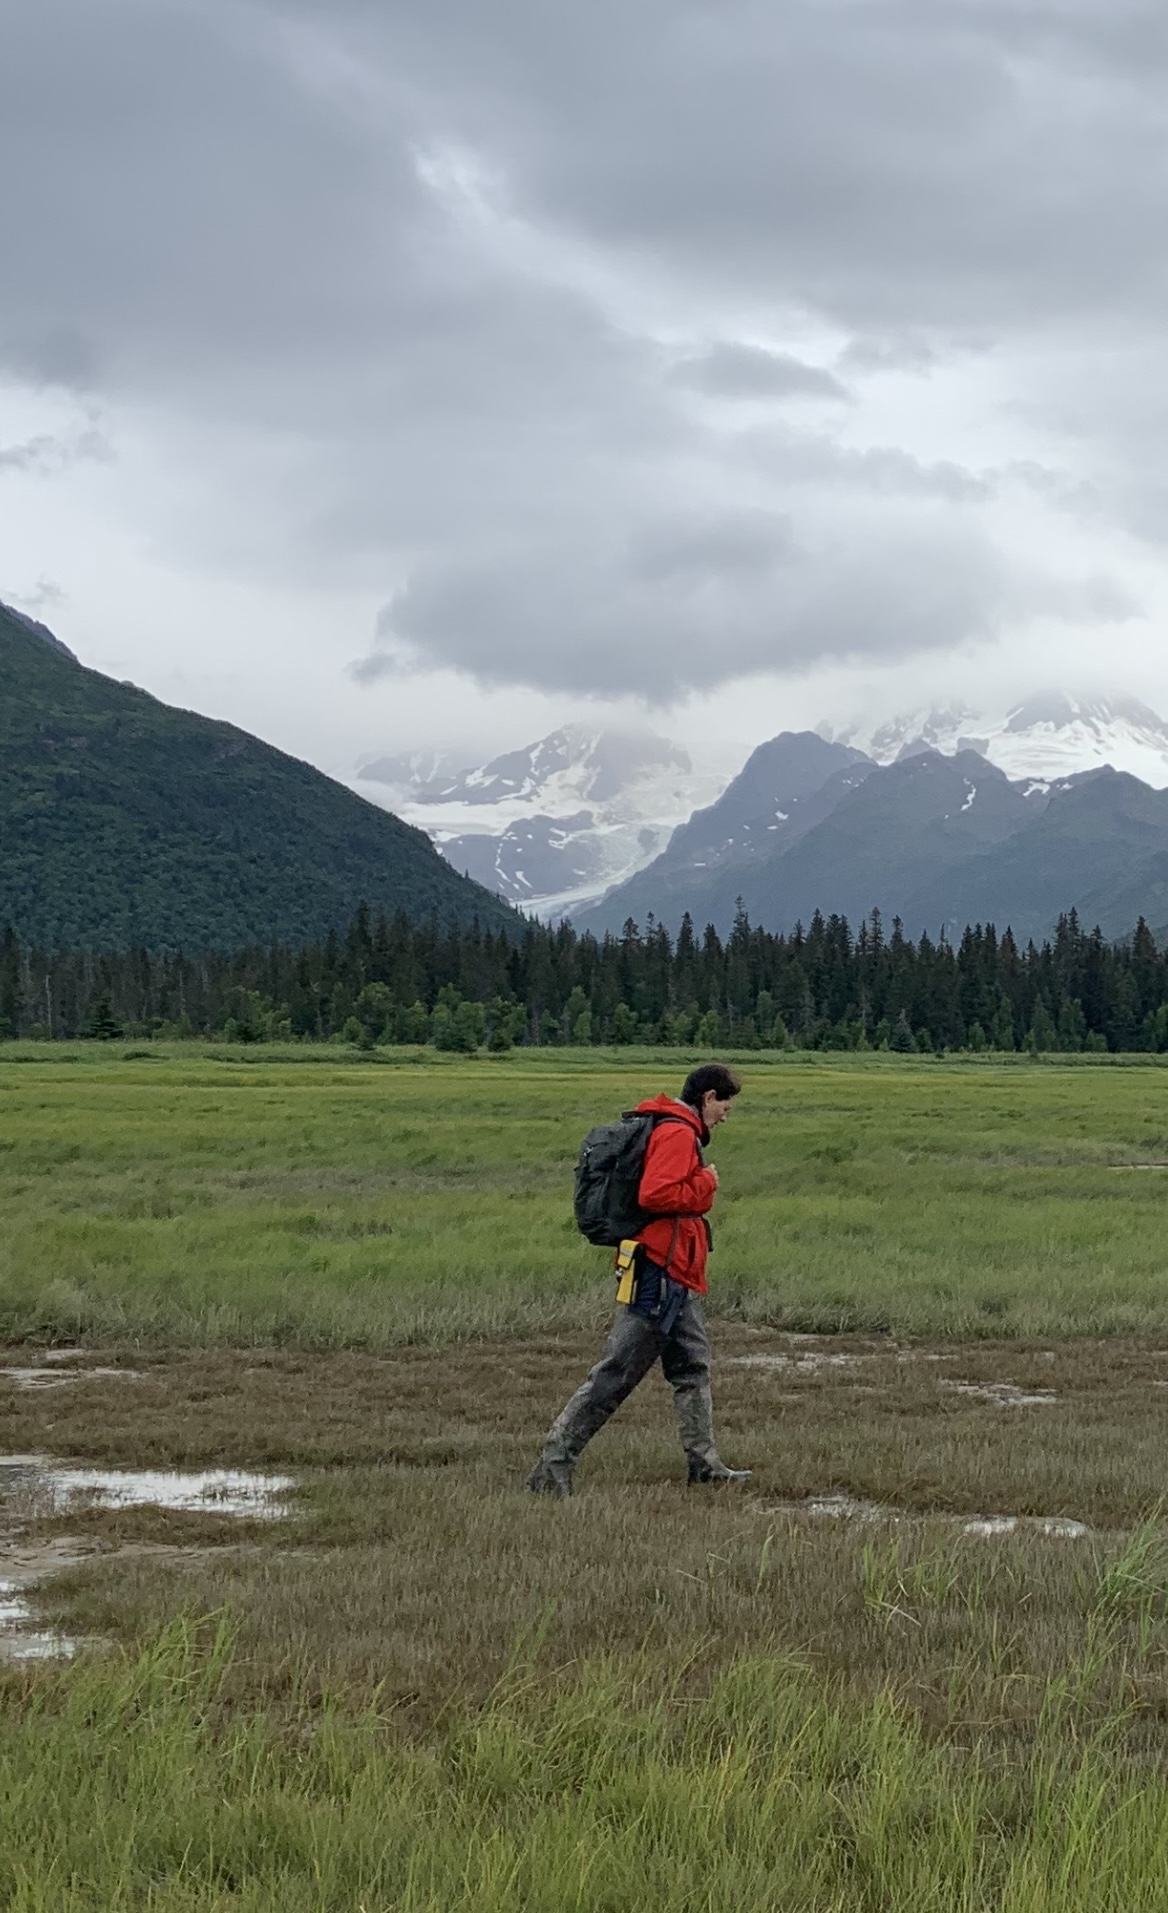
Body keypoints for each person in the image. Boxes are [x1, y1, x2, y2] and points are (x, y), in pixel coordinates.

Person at [527, 1062, 750, 1496]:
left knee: (692, 1367)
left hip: (674, 1273)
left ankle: (704, 1466)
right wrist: (705, 1184)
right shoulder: (677, 1133)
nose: (727, 1114)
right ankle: (552, 1467)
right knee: (616, 1373)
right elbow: (656, 1194)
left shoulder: (672, 1126)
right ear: (708, 1098)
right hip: (659, 1273)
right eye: (725, 1104)